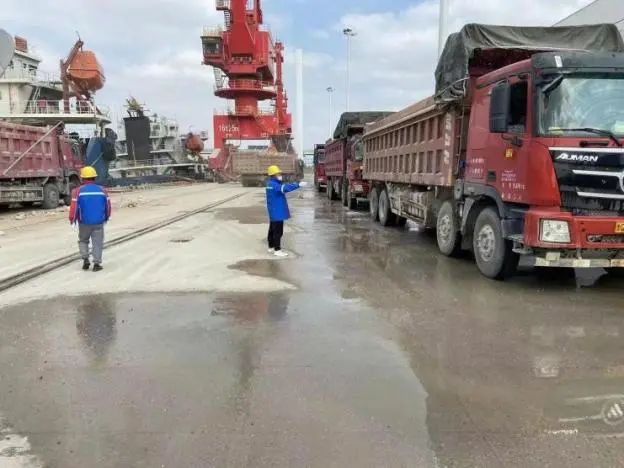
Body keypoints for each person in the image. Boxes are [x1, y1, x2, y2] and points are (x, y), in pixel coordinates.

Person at [69, 166, 111, 271]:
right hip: (98, 222)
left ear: (82, 178)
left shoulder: (77, 191)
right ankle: (96, 264)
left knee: (83, 241)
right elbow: (108, 206)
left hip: (84, 222)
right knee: (97, 243)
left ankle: (85, 259)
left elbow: (74, 207)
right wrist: (106, 217)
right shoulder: (102, 190)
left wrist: (72, 219)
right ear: (94, 177)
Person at [265, 165, 306, 257]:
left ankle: (271, 247)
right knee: (278, 231)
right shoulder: (274, 185)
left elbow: (282, 187)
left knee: (272, 229)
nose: (280, 175)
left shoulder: (270, 184)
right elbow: (285, 188)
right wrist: (298, 185)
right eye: (278, 174)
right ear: (273, 175)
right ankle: (277, 250)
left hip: (274, 211)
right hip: (277, 211)